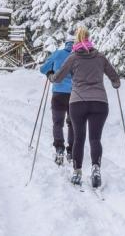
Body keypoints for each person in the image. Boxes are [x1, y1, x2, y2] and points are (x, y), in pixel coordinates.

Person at [52, 26, 120, 188]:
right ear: (89, 40)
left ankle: (77, 171)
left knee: (79, 139)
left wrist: (51, 75)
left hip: (78, 102)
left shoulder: (73, 57)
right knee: (95, 138)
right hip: (100, 102)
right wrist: (115, 84)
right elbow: (115, 78)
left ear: (76, 40)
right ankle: (96, 168)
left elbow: (58, 78)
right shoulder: (100, 57)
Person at [39, 33, 75, 165]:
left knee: (57, 123)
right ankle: (71, 151)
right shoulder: (79, 56)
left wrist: (50, 73)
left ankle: (59, 148)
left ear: (66, 44)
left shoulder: (58, 53)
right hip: (75, 95)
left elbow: (43, 69)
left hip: (58, 93)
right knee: (73, 123)